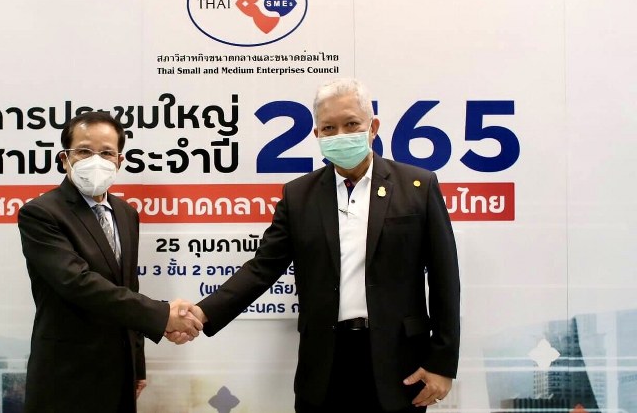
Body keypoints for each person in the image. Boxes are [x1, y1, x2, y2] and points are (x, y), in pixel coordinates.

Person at [186, 78, 460, 411]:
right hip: (324, 364)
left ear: (373, 127)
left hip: (399, 363)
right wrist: (203, 313)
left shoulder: (417, 186)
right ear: (317, 134)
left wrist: (442, 362)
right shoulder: (298, 195)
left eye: (352, 124)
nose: (341, 135)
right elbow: (262, 269)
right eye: (329, 128)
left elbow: (445, 279)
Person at [17, 110, 202, 413]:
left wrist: (137, 364)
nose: (96, 160)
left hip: (119, 375)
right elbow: (77, 283)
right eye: (84, 151)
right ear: (64, 158)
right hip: (66, 377)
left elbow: (128, 288)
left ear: (119, 160)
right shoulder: (41, 213)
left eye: (106, 153)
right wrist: (162, 316)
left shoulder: (126, 214)